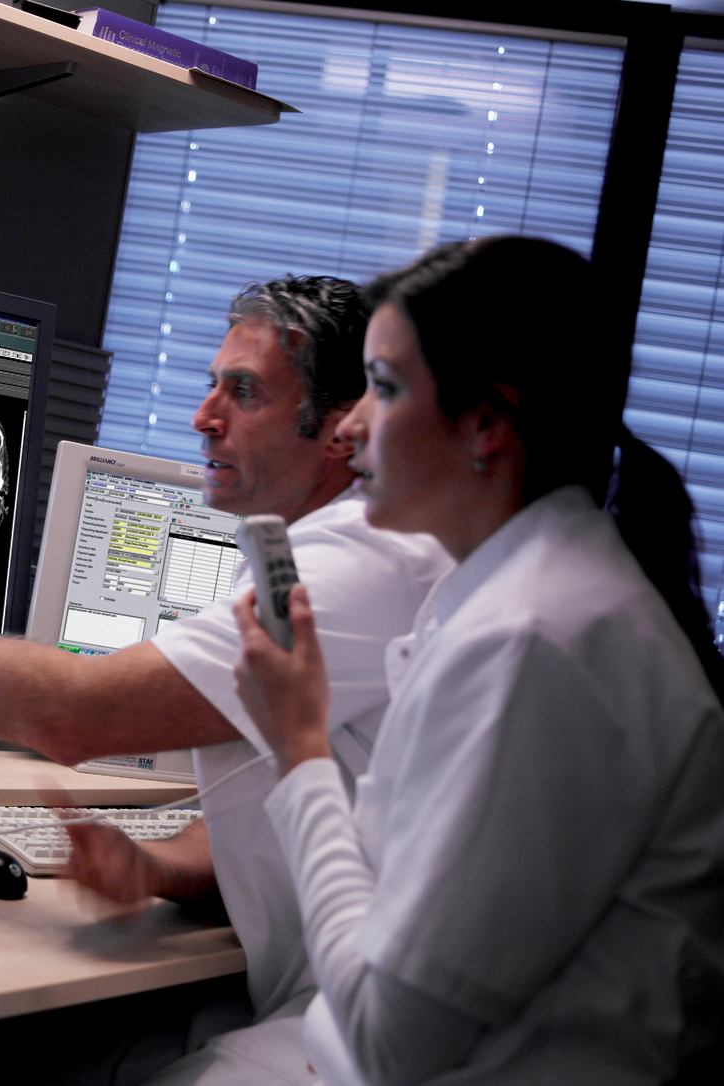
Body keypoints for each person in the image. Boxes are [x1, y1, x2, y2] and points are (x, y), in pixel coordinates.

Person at [0, 276, 453, 1029]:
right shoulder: (309, 545)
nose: (202, 417)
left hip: (357, 1026)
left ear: (339, 428)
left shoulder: (355, 562)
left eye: (243, 393)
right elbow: (277, 795)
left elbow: (77, 717)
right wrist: (156, 867)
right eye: (211, 385)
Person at [231, 237, 724, 1085]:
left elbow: (391, 1043)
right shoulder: (517, 601)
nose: (347, 428)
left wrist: (301, 746)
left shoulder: (535, 640)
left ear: (486, 424)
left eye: (381, 390)